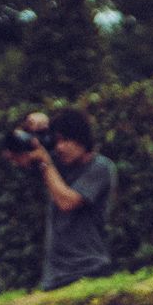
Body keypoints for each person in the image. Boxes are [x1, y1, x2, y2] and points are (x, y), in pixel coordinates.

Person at [27, 108, 115, 290]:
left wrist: (45, 163)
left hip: (89, 269)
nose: (60, 147)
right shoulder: (56, 165)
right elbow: (17, 154)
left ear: (82, 139)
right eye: (56, 141)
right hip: (54, 276)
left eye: (66, 140)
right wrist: (32, 125)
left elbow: (67, 202)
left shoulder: (101, 167)